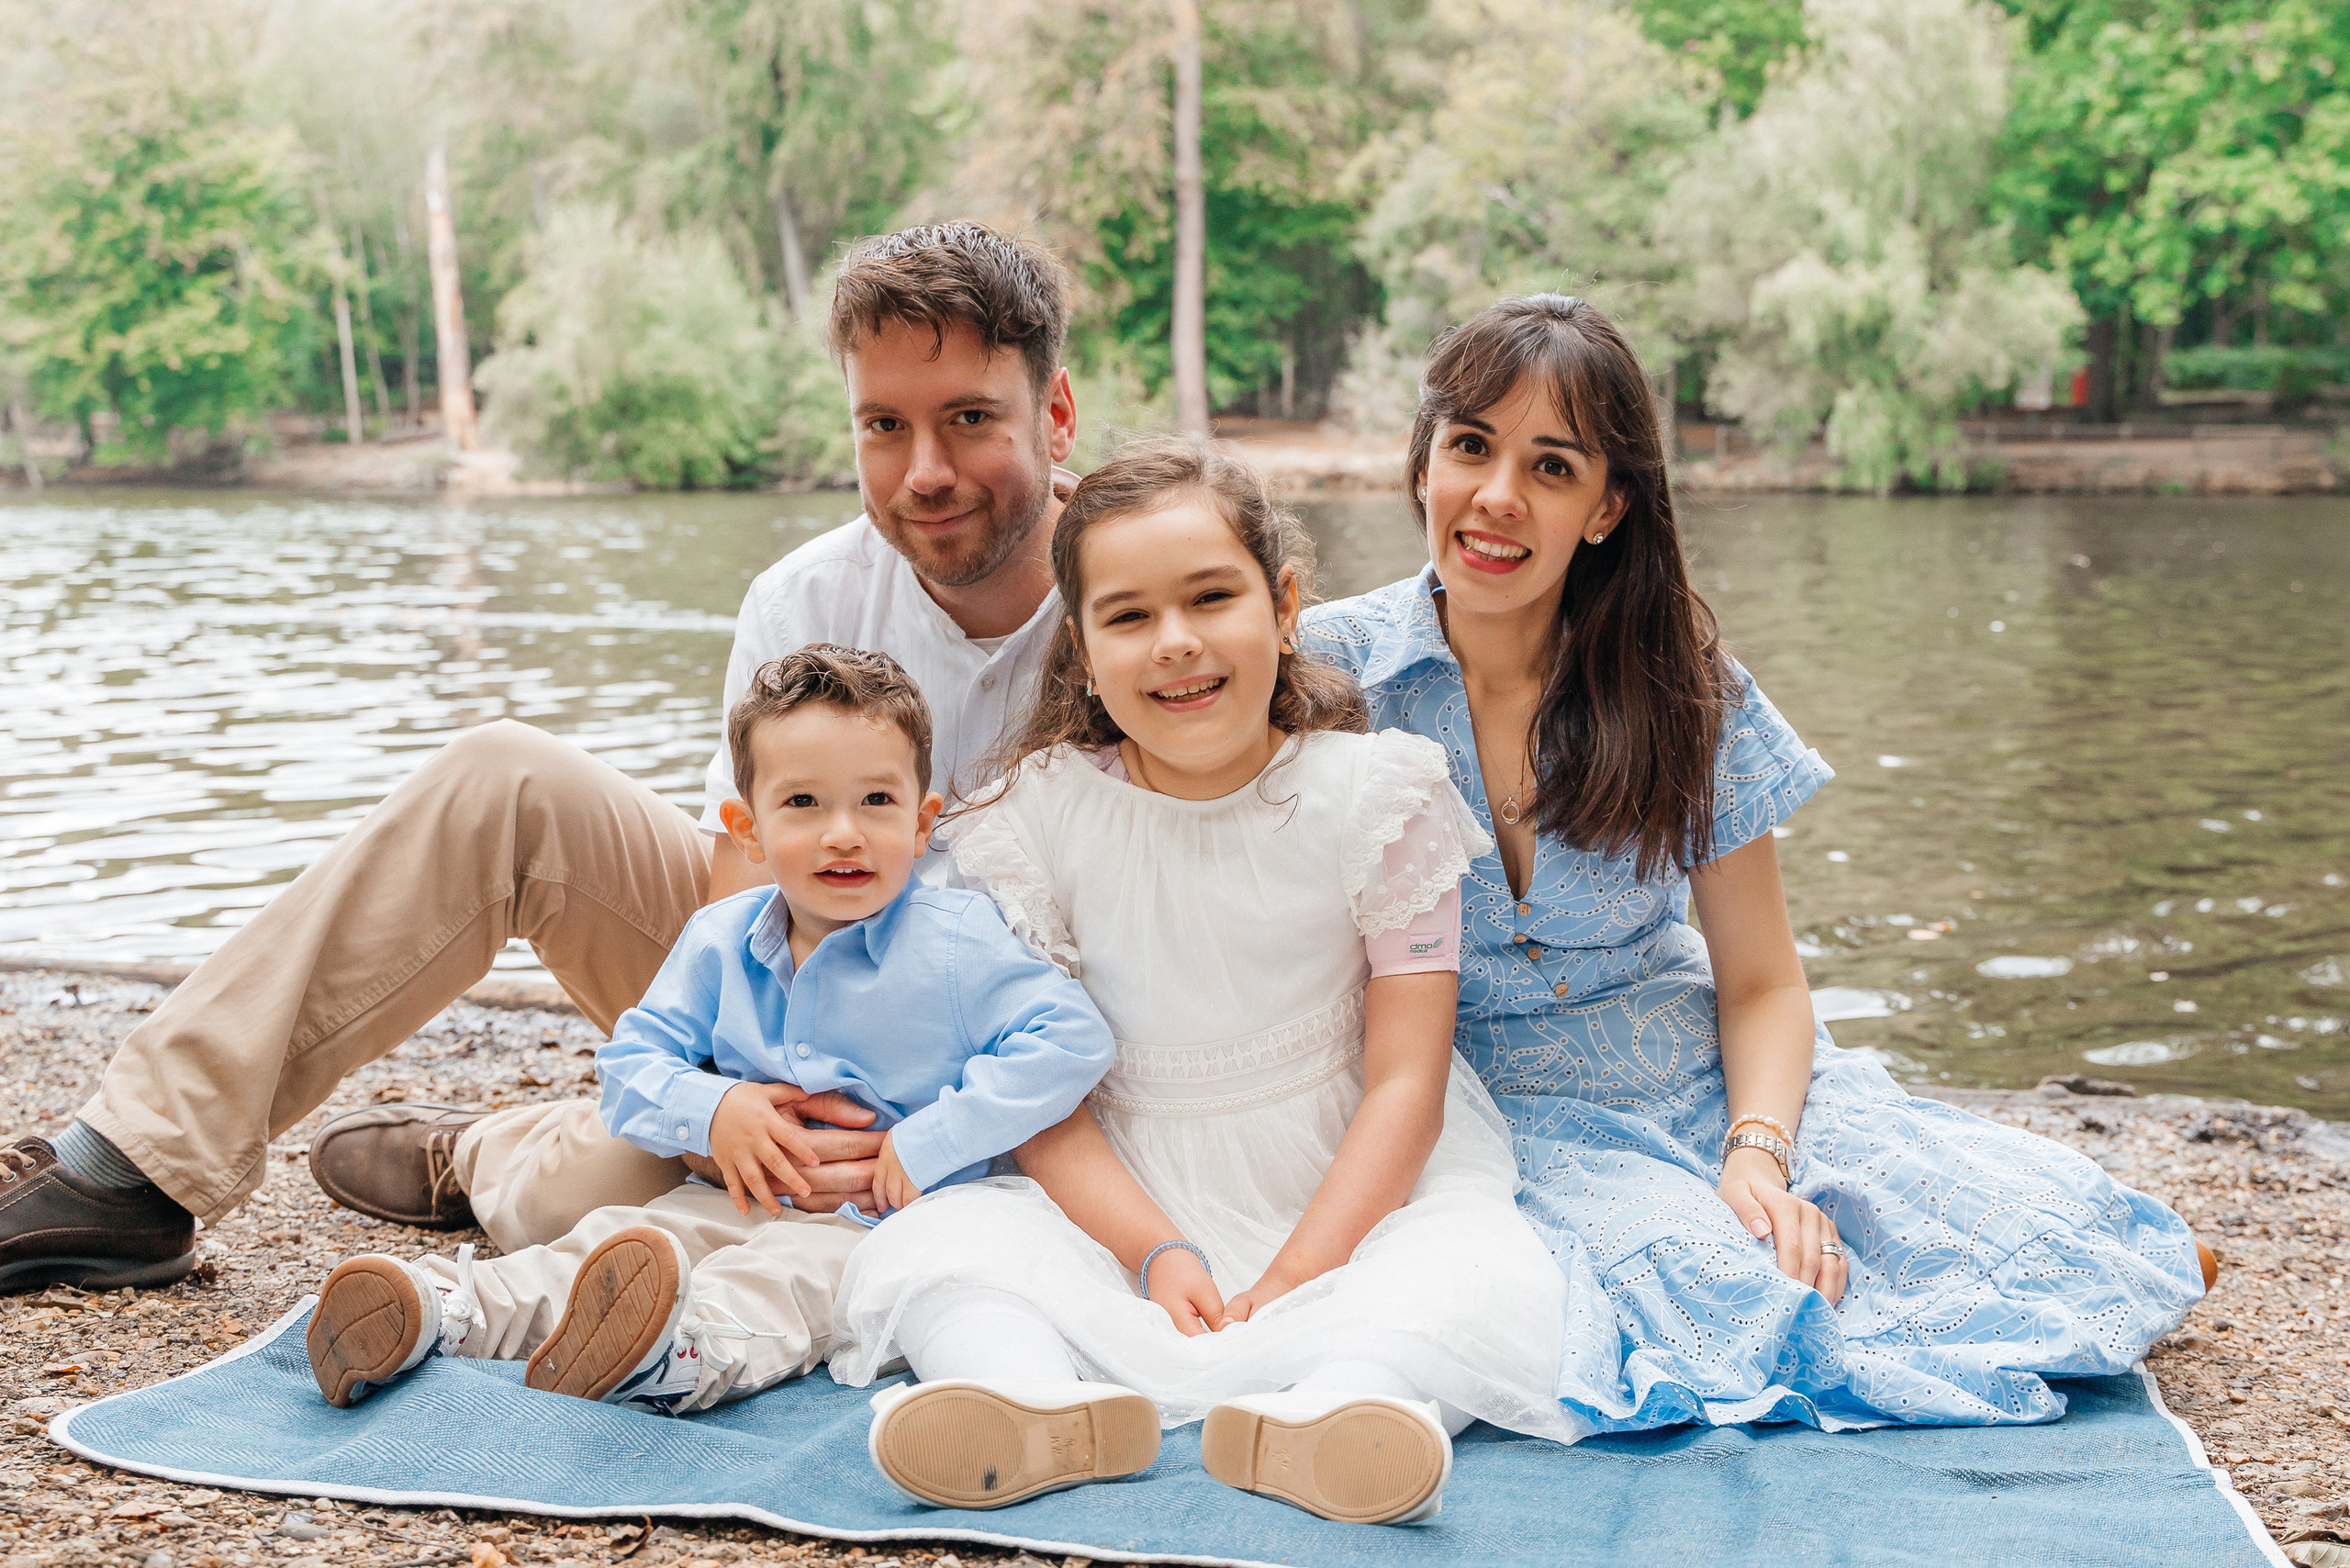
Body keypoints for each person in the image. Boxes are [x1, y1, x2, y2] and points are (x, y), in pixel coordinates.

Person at [0, 221, 1082, 1298]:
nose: (925, 470)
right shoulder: (805, 599)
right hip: (798, 994)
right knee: (503, 777)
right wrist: (747, 1110)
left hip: (1024, 1042)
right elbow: (745, 897)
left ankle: (486, 1152)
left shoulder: (1148, 598)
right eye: (883, 425)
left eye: (971, 419)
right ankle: (129, 1171)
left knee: (593, 1198)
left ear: (1057, 415)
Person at [1297, 293, 2211, 1435]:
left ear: (1606, 506)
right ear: (1423, 461)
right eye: (1471, 446)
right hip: (1467, 1100)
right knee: (1722, 1297)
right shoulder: (1320, 676)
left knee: (1933, 1238)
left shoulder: (1685, 685)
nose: (1496, 498)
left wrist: (1758, 1156)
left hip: (1694, 1071)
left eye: (1552, 466)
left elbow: (1764, 980)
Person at [827, 440, 1572, 1528]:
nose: (1176, 644)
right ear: (1081, 648)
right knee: (952, 1256)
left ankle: (1341, 1407)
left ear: (1282, 605)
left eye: (1211, 598)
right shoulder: (1030, 822)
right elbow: (1040, 1098)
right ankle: (1020, 1399)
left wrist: (1298, 1273)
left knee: (1472, 1269)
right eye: (1128, 618)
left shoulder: (1378, 798)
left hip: (1352, 1174)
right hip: (1118, 1188)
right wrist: (1155, 1248)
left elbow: (1407, 1080)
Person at [304, 645, 1113, 1414]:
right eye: (803, 803)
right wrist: (716, 1111)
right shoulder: (719, 939)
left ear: (922, 821)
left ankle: (681, 1354)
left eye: (877, 801)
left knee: (787, 1284)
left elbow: (1071, 1038)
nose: (843, 832)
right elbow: (631, 1065)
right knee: (625, 1238)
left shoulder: (957, 940)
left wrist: (930, 1139)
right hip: (734, 1192)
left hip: (880, 1224)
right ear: (747, 828)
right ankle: (446, 1311)